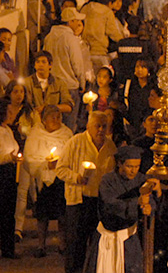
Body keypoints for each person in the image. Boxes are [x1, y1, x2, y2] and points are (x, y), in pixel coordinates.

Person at [56, 110, 117, 273]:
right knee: (76, 244)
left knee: (97, 243)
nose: (101, 130)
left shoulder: (110, 147)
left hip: (98, 202)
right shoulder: (76, 142)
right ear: (89, 126)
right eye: (97, 126)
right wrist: (76, 177)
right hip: (79, 201)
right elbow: (60, 168)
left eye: (104, 126)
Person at [85, 145, 158, 273]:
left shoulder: (141, 180)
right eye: (129, 166)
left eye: (137, 167)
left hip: (128, 239)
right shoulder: (107, 180)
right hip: (107, 236)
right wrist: (136, 202)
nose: (133, 171)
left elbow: (150, 201)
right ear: (120, 164)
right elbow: (110, 204)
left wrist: (149, 207)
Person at [18, 104, 71, 254]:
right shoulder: (36, 134)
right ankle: (41, 245)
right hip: (43, 182)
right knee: (43, 215)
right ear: (44, 120)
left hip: (61, 180)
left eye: (58, 117)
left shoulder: (66, 134)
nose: (56, 120)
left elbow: (72, 154)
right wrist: (45, 164)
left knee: (62, 214)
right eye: (52, 117)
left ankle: (62, 244)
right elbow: (30, 157)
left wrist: (60, 164)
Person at [43, 7, 87, 129]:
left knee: (53, 125)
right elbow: (77, 64)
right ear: (70, 21)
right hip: (69, 86)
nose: (79, 23)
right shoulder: (70, 39)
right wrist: (82, 83)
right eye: (76, 20)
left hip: (52, 86)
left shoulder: (49, 37)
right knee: (68, 126)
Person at [23, 51, 74, 124]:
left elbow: (68, 107)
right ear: (34, 65)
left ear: (50, 65)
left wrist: (49, 108)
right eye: (38, 62)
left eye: (43, 62)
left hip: (54, 123)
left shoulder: (59, 83)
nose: (40, 65)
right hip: (33, 123)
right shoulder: (27, 83)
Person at [0, 97, 22, 258]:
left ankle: (8, 248)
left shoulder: (7, 130)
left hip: (9, 174)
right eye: (8, 111)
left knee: (8, 212)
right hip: (2, 173)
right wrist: (9, 157)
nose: (12, 113)